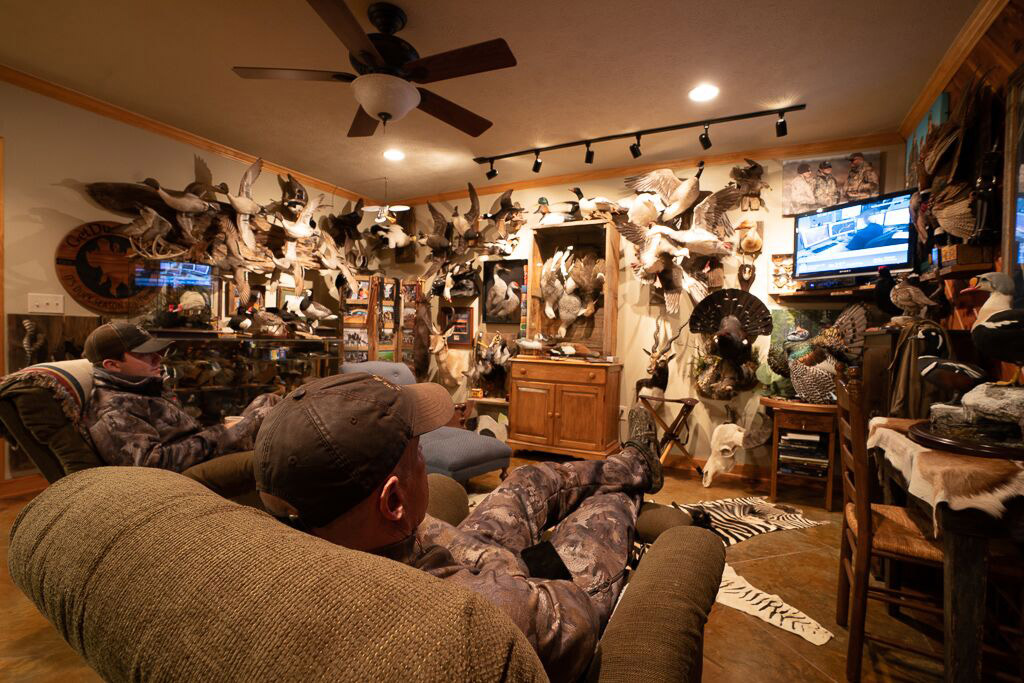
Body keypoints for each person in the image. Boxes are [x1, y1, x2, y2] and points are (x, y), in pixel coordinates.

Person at [255, 373, 664, 682]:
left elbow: (416, 538)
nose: (423, 458)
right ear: (393, 502)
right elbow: (578, 620)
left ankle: (631, 464)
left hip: (440, 554)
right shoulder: (481, 618)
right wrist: (503, 564)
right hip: (536, 597)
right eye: (418, 451)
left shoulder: (312, 535)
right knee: (605, 508)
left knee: (527, 479)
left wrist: (482, 555)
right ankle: (635, 475)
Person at [83, 321, 279, 471]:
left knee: (269, 400)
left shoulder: (142, 387)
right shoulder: (112, 409)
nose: (158, 358)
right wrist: (220, 433)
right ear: (112, 365)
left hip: (205, 450)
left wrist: (224, 431)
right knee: (268, 415)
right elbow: (151, 465)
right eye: (144, 354)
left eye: (155, 351)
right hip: (190, 475)